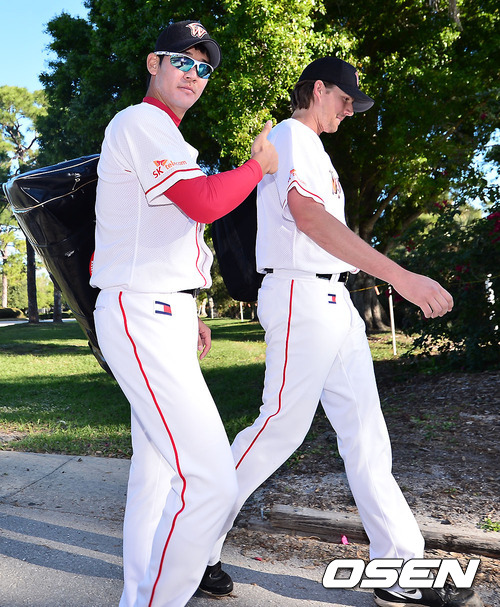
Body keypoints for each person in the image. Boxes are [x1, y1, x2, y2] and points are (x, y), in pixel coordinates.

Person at [208, 57, 484, 607]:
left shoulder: (315, 148)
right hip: (300, 295)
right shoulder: (289, 137)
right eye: (345, 100)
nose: (350, 111)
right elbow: (309, 219)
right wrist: (401, 276)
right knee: (279, 430)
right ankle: (187, 541)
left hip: (332, 299)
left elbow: (323, 227)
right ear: (318, 89)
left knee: (366, 436)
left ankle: (400, 572)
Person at [90, 20, 277, 607]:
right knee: (210, 481)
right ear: (154, 63)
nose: (194, 75)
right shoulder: (141, 121)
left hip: (159, 309)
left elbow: (164, 229)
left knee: (157, 477)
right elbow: (202, 202)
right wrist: (258, 166)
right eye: (183, 61)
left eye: (204, 68)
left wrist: (187, 307)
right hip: (141, 311)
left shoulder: (166, 136)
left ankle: (139, 594)